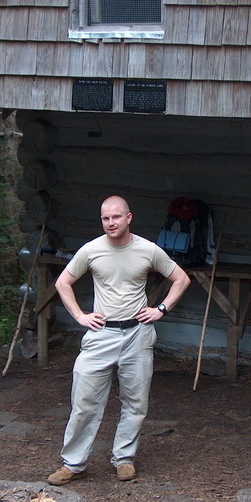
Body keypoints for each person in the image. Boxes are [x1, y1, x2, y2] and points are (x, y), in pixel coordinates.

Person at [48, 195, 191, 485]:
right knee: (84, 400)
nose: (110, 223)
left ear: (129, 217)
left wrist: (161, 309)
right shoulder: (91, 250)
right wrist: (79, 316)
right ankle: (73, 463)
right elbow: (62, 282)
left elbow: (182, 279)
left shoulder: (147, 249)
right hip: (101, 334)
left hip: (138, 334)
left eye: (116, 217)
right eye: (105, 218)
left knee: (135, 401)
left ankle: (124, 458)